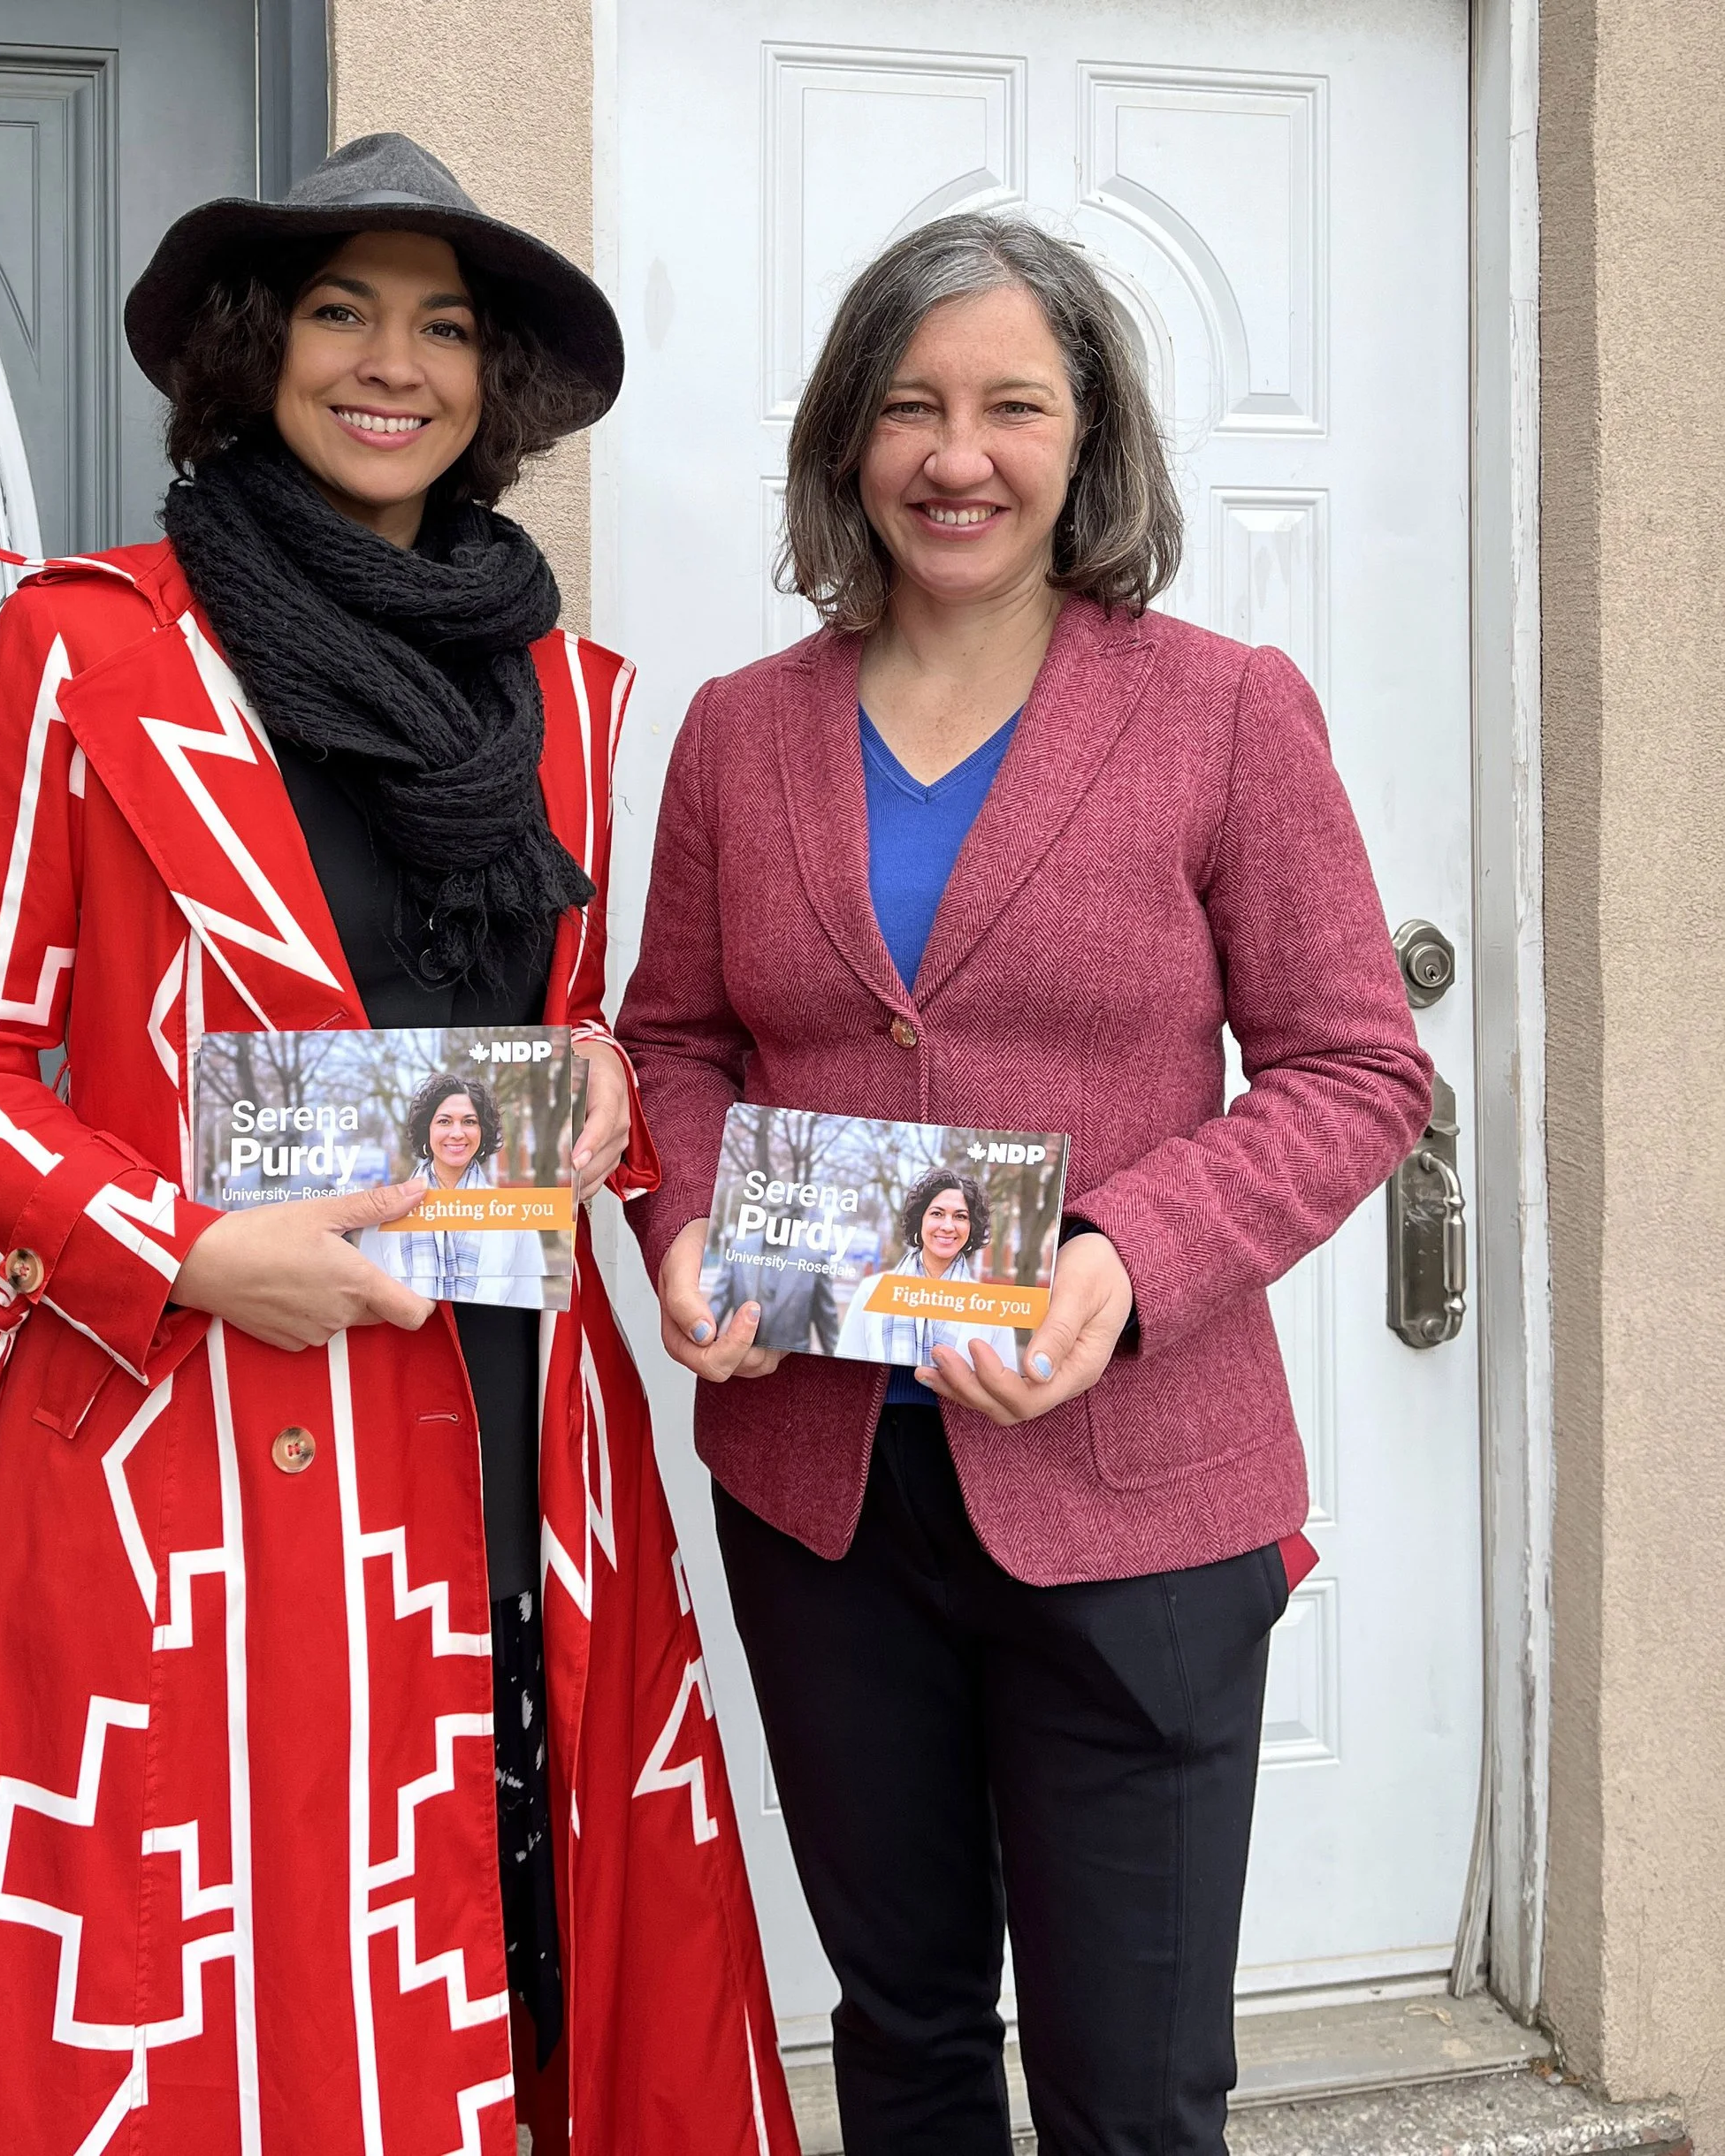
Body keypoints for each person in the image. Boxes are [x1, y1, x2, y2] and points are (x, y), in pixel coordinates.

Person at [0, 133, 794, 2156]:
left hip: (514, 1436)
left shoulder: (562, 689)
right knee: (208, 2001)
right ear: (254, 349)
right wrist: (188, 1249)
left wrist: (654, 1165)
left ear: (497, 385)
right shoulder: (90, 651)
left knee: (518, 1943)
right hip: (191, 1454)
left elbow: (570, 1061)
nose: (395, 364)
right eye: (343, 310)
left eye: (445, 325)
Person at [618, 211, 1432, 2156]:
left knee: (1130, 2087)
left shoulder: (1221, 708)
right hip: (826, 1493)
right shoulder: (741, 730)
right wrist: (683, 1225)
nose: (952, 454)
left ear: (1087, 442)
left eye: (1007, 404)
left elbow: (1350, 1067)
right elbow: (672, 1043)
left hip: (1136, 1498)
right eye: (905, 404)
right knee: (898, 2038)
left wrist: (1121, 1258)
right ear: (843, 439)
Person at [362, 1068, 547, 1305]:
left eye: (469, 1121)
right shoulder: (385, 1215)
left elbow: (529, 1304)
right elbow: (371, 1304)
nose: (457, 1133)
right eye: (444, 1121)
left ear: (483, 1132)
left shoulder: (516, 1218)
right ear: (427, 1130)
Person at [834, 1167, 1018, 1373]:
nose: (948, 1226)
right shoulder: (873, 1290)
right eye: (937, 1214)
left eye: (960, 1216)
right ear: (920, 1219)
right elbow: (845, 1370)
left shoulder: (992, 1307)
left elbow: (1004, 1382)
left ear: (971, 1226)